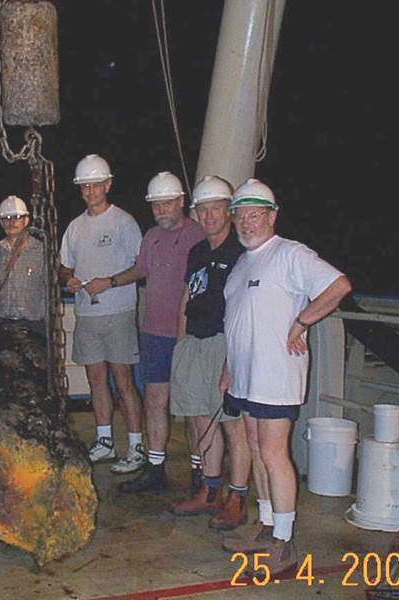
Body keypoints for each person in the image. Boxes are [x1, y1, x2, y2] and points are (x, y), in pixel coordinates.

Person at [219, 178, 352, 575]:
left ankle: (284, 542)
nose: (246, 223)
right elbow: (237, 319)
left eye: (254, 215)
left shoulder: (290, 254)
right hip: (244, 375)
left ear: (272, 217)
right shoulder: (242, 264)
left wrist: (301, 321)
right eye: (240, 216)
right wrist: (229, 368)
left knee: (274, 454)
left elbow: (338, 285)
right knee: (257, 449)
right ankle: (265, 524)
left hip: (275, 375)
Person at [85, 172, 204, 491]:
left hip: (187, 335)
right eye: (156, 205)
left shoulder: (198, 236)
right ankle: (155, 467)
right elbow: (141, 270)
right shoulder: (150, 236)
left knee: (192, 407)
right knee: (154, 399)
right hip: (153, 332)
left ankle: (199, 472)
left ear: (181, 202)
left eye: (168, 203)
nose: (163, 210)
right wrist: (110, 281)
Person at [167, 175, 252, 531]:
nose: (210, 215)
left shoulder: (242, 251)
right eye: (203, 209)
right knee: (203, 419)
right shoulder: (197, 252)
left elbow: (247, 306)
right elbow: (188, 296)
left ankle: (237, 497)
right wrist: (181, 342)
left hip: (224, 342)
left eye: (216, 208)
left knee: (234, 425)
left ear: (228, 211)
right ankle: (210, 489)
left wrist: (234, 359)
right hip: (195, 342)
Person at [59, 154, 145, 474]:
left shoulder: (124, 222)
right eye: (85, 186)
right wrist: (68, 279)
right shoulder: (75, 227)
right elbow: (64, 266)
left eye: (96, 184)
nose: (90, 191)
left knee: (123, 380)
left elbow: (141, 266)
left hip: (119, 311)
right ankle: (105, 441)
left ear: (108, 185)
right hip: (86, 314)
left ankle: (136, 446)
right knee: (96, 380)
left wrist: (109, 282)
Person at [0, 195, 47, 337]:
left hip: (33, 326)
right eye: (6, 218)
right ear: (0, 222)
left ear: (26, 220)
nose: (11, 222)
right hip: (0, 324)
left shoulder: (43, 251)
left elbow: (50, 291)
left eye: (16, 217)